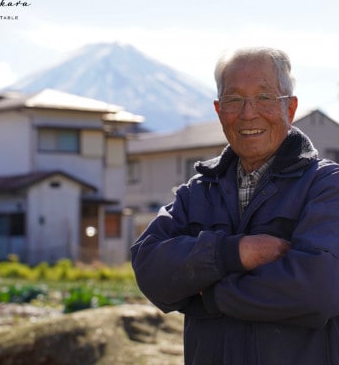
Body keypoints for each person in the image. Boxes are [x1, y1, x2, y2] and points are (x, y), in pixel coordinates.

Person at [131, 46, 339, 365]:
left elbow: (317, 291)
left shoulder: (326, 186)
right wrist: (233, 252)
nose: (248, 113)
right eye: (234, 100)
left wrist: (208, 296)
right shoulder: (197, 191)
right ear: (219, 110)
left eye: (264, 97)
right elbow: (149, 268)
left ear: (290, 107)